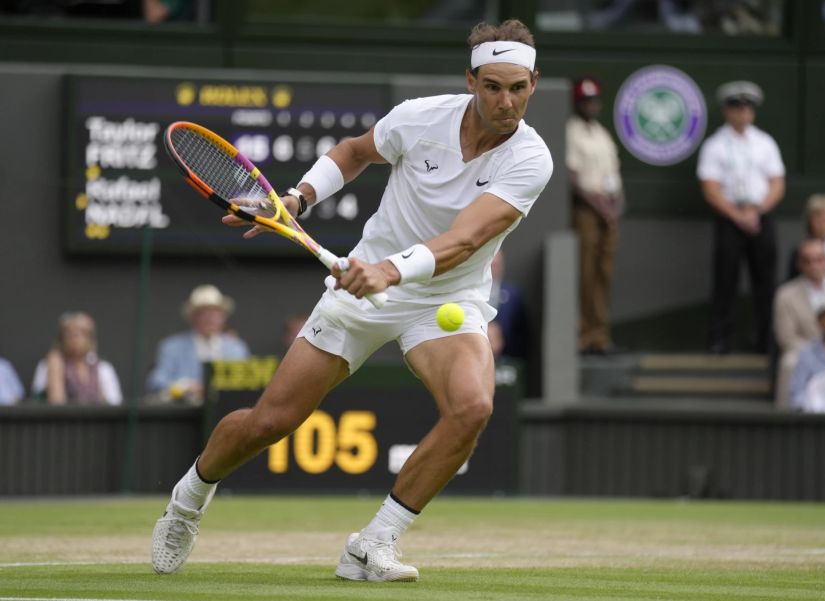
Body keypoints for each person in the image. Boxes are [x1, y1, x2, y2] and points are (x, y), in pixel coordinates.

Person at [150, 19, 552, 583]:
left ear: (534, 83)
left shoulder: (532, 159)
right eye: (492, 86)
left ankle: (372, 544)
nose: (506, 101)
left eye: (518, 87)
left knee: (473, 408)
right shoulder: (419, 117)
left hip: (443, 295)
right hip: (362, 290)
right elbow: (353, 152)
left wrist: (389, 270)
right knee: (272, 421)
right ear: (470, 80)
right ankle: (186, 503)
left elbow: (465, 238)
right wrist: (297, 197)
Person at [697, 80, 785, 355]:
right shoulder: (715, 145)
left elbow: (777, 183)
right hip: (730, 217)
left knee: (765, 280)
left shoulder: (765, 143)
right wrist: (738, 215)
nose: (742, 113)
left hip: (760, 215)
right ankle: (720, 339)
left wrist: (756, 212)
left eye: (747, 108)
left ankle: (765, 339)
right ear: (727, 110)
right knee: (726, 279)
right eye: (737, 107)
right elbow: (710, 189)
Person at [566, 76, 625, 355]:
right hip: (588, 211)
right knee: (585, 273)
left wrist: (615, 210)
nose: (590, 105)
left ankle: (600, 335)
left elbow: (615, 177)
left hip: (608, 213)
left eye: (593, 100)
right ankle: (583, 335)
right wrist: (603, 209)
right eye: (585, 100)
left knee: (605, 274)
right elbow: (574, 179)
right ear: (577, 103)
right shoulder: (572, 131)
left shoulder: (603, 134)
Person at [773, 239, 825, 408]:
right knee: (789, 362)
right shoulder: (785, 294)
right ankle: (784, 417)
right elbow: (786, 338)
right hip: (806, 349)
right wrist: (819, 351)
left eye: (819, 259)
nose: (814, 265)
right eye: (807, 261)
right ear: (799, 264)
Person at [146, 284, 250, 404]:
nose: (211, 319)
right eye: (204, 313)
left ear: (223, 318)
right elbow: (156, 382)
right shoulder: (172, 347)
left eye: (216, 314)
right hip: (186, 415)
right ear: (193, 318)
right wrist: (185, 386)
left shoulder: (236, 348)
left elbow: (246, 385)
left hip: (226, 414)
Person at [31, 311, 122, 405]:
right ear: (61, 338)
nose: (75, 338)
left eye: (81, 333)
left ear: (90, 338)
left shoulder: (102, 367)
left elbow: (114, 403)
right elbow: (55, 403)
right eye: (69, 334)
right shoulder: (48, 364)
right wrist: (55, 366)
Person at [487, 249, 527, 360]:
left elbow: (521, 331)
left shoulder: (514, 293)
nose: (494, 268)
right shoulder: (472, 293)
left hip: (506, 359)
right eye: (491, 265)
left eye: (497, 265)